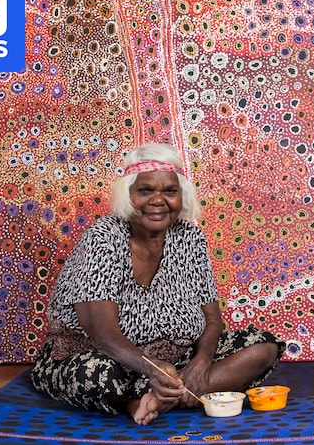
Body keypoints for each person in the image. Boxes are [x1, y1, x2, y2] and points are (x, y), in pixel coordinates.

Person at [31, 143, 283, 425]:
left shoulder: (191, 238)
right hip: (109, 358)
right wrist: (152, 369)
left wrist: (200, 363)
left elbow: (213, 320)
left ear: (181, 195)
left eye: (169, 191)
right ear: (128, 195)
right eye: (145, 191)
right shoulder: (103, 238)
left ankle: (158, 398)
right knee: (100, 375)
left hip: (176, 362)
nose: (158, 200)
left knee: (263, 347)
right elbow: (103, 334)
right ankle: (151, 397)